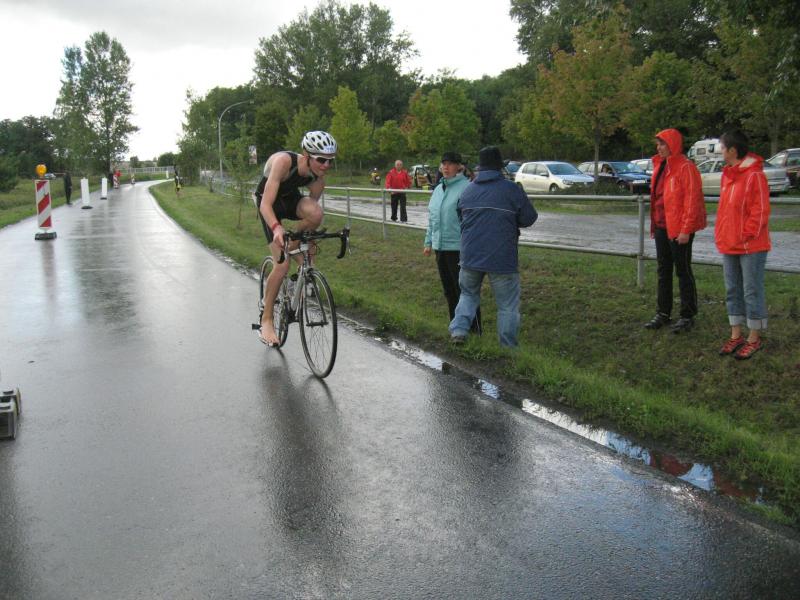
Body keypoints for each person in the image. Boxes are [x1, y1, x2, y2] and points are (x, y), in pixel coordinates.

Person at [253, 130, 337, 346]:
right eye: (321, 159)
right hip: (268, 203)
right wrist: (277, 228)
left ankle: (292, 248)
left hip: (290, 200)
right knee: (282, 265)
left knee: (316, 213)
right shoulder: (283, 162)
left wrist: (307, 237)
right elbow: (265, 204)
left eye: (330, 160)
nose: (326, 165)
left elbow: (311, 214)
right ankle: (266, 320)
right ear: (306, 155)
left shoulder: (318, 179)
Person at [449, 146, 537, 348]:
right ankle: (507, 347)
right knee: (507, 305)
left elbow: (460, 217)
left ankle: (459, 331)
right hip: (502, 257)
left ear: (480, 167)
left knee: (468, 294)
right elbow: (529, 218)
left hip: (470, 255)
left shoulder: (468, 190)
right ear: (500, 167)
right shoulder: (511, 189)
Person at [644, 128, 707, 333]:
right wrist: (655, 224)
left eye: (662, 143)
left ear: (673, 145)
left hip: (679, 229)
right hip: (662, 226)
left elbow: (692, 200)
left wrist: (686, 230)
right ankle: (663, 312)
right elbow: (658, 198)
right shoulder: (660, 165)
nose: (658, 148)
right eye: (658, 144)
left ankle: (687, 315)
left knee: (683, 270)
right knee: (663, 271)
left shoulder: (686, 168)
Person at [715, 130, 771, 360]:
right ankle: (736, 334)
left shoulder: (755, 176)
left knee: (751, 290)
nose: (720, 151)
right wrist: (722, 234)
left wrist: (746, 234)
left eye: (722, 147)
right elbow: (725, 211)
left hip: (751, 246)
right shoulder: (727, 176)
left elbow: (760, 210)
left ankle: (754, 337)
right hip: (729, 244)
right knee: (732, 289)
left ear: (732, 150)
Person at [423, 152, 481, 334]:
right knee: (449, 290)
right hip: (440, 247)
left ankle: (474, 330)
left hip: (459, 248)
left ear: (459, 167)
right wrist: (428, 241)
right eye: (443, 164)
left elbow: (472, 220)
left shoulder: (467, 188)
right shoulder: (438, 190)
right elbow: (433, 218)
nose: (446, 167)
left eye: (450, 164)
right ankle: (456, 328)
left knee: (464, 291)